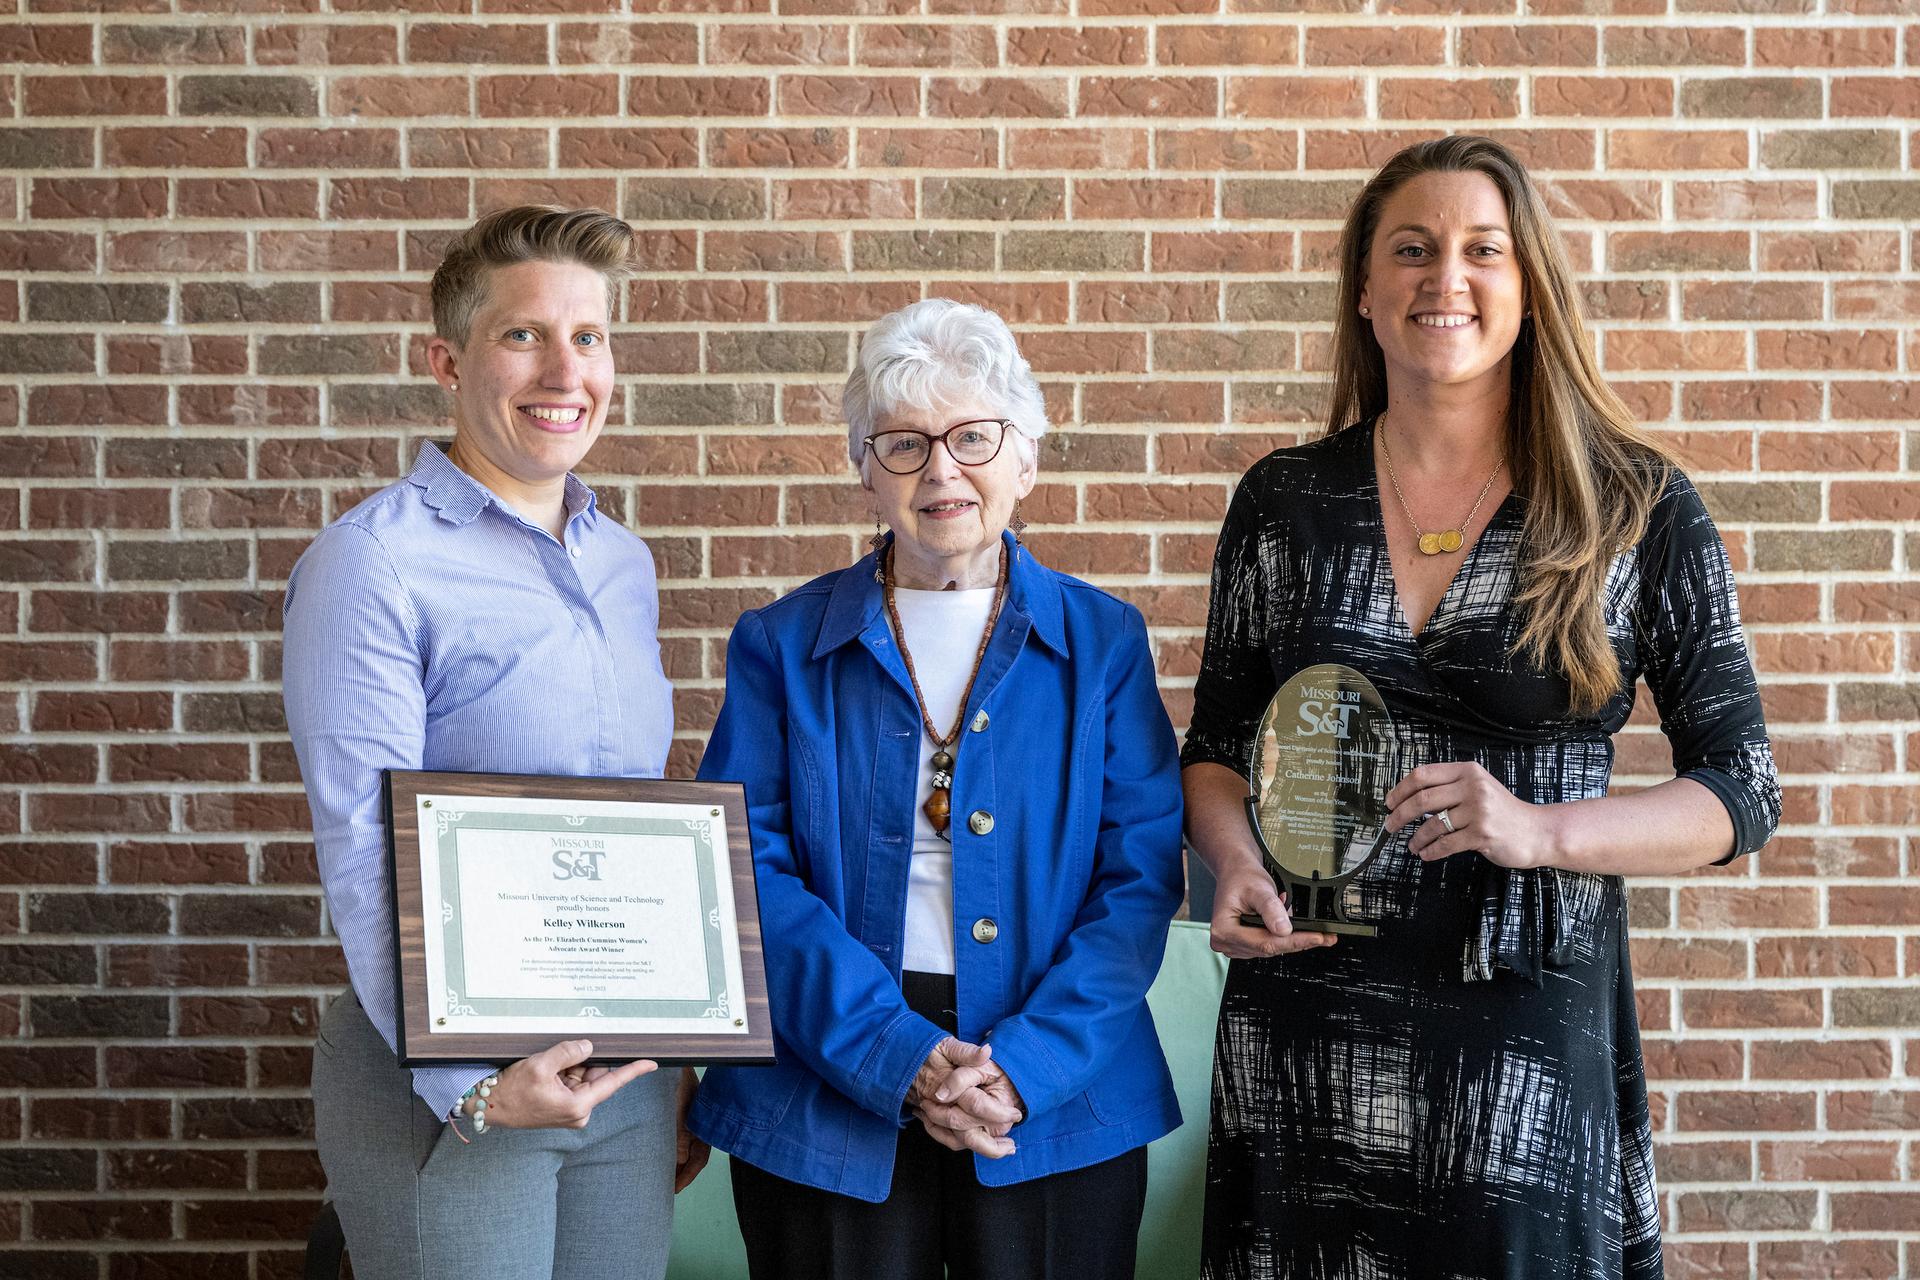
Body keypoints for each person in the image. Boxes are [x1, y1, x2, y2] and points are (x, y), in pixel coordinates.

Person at [1181, 136, 1781, 1280]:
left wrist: (1542, 829)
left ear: (1529, 285)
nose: (1441, 278)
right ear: (1365, 287)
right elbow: (1215, 747)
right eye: (1410, 249)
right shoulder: (1284, 501)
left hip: (1518, 1024)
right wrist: (1232, 862)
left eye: (1480, 251)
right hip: (1309, 999)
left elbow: (1741, 790)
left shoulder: (1632, 505)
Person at [687, 298, 1186, 1280]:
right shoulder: (779, 645)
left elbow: (1137, 876)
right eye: (906, 443)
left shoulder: (1107, 643)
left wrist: (1026, 1065)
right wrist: (897, 1052)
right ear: (865, 468)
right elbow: (744, 871)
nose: (943, 469)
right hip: (824, 1072)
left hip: (1059, 1079)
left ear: (1026, 457)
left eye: (973, 436)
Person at [282, 205, 706, 1280]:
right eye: (524, 334)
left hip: (621, 1082)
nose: (566, 368)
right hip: (457, 1084)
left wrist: (678, 1055)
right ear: (447, 358)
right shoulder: (372, 564)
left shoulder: (625, 563)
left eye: (590, 335)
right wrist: (471, 1080)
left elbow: (635, 827)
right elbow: (362, 846)